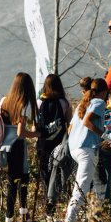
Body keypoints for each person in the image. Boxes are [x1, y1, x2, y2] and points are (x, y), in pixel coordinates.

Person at [59, 77, 108, 222]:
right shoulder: (99, 103)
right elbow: (88, 121)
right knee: (81, 188)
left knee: (99, 181)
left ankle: (97, 219)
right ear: (104, 92)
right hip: (87, 149)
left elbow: (71, 127)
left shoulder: (82, 104)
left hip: (75, 148)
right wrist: (104, 136)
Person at [0, 73, 38, 220]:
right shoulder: (23, 104)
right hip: (17, 145)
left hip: (4, 145)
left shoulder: (4, 101)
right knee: (23, 179)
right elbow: (20, 132)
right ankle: (20, 215)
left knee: (11, 181)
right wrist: (37, 134)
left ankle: (10, 217)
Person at [34, 74, 73, 214]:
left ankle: (48, 201)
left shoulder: (39, 102)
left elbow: (34, 124)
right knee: (58, 170)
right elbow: (70, 123)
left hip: (43, 142)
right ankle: (57, 199)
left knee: (45, 171)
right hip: (59, 142)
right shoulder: (64, 102)